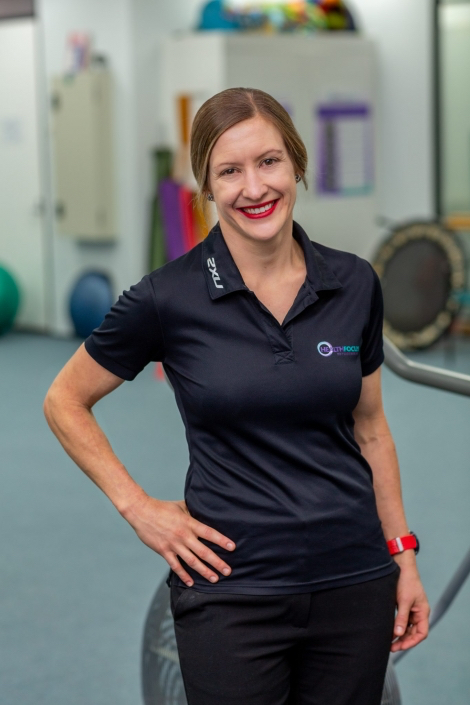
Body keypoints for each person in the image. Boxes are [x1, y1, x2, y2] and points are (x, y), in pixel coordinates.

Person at [44, 87, 430, 705]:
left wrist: (402, 556)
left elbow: (372, 429)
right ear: (206, 186)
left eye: (269, 161)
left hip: (353, 578)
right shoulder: (166, 298)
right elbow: (64, 400)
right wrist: (139, 508)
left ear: (296, 163)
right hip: (231, 589)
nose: (254, 188)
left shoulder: (354, 282)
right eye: (229, 171)